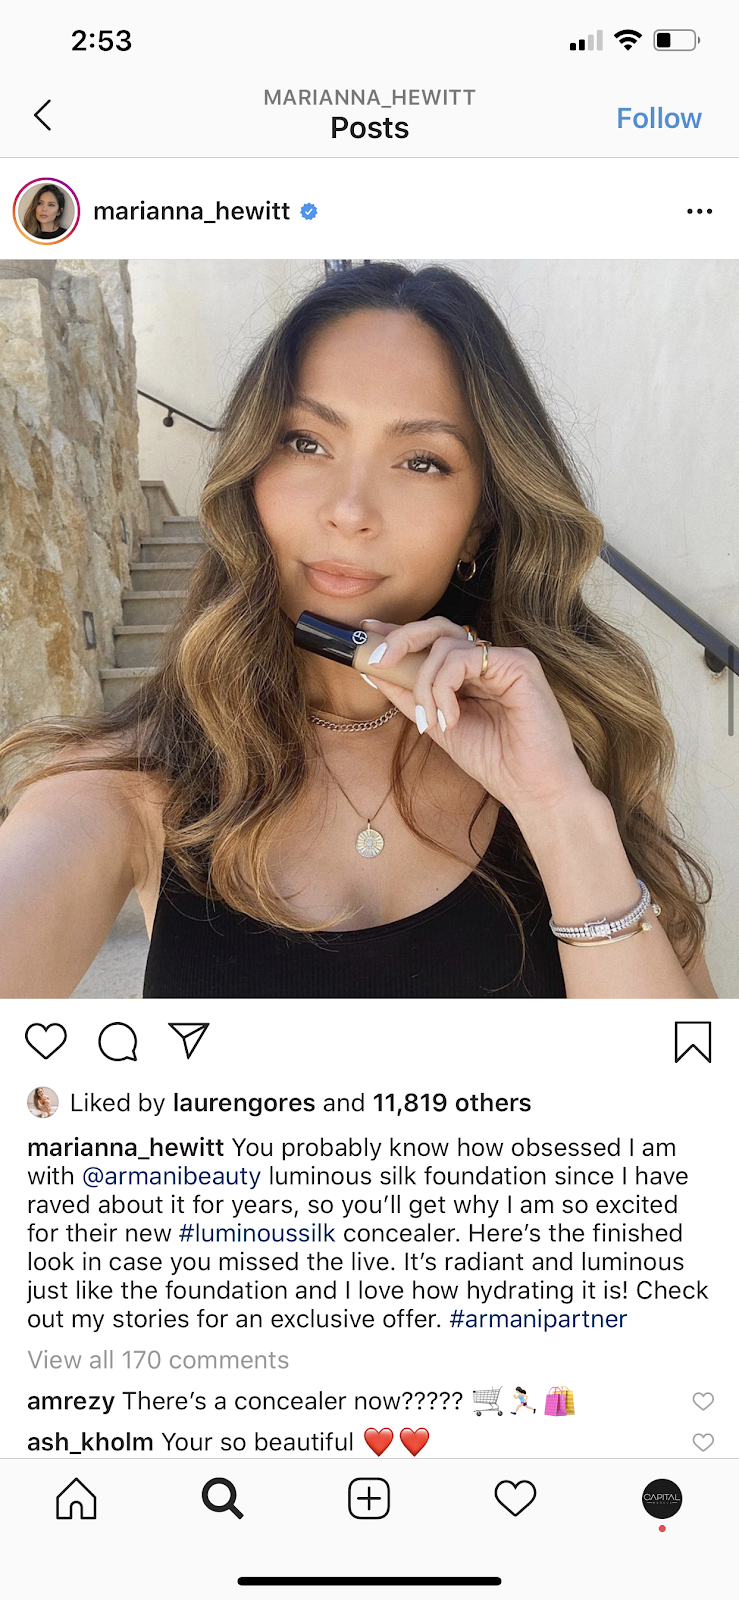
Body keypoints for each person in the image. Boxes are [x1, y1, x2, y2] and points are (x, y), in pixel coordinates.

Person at [0, 263, 717, 999]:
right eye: (305, 442)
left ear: (481, 521)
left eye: (422, 461)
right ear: (251, 473)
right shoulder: (127, 780)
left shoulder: (579, 747)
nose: (349, 511)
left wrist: (558, 811)